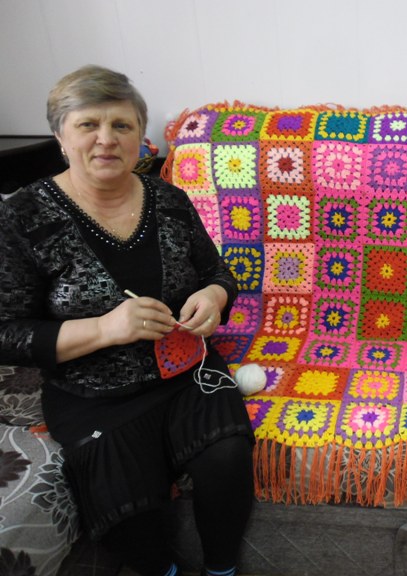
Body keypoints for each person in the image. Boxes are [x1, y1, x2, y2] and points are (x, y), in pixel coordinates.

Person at [0, 65, 254, 576]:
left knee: (226, 460)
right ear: (60, 137)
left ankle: (222, 571)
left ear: (140, 136)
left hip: (187, 372)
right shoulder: (23, 216)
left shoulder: (169, 199)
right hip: (92, 392)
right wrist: (104, 329)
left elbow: (218, 273)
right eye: (88, 124)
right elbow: (6, 333)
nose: (106, 139)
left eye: (121, 125)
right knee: (127, 515)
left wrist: (213, 296)